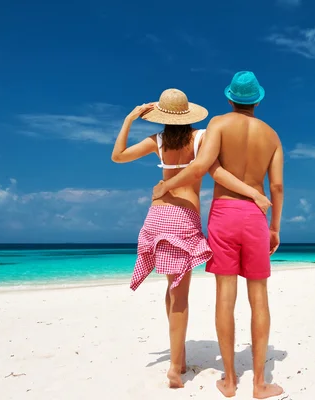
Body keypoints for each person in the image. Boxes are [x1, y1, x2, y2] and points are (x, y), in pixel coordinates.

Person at [111, 88, 271, 390]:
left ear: (161, 117)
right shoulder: (200, 139)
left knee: (170, 292)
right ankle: (175, 367)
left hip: (156, 216)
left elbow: (117, 156)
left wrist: (130, 118)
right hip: (183, 218)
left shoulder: (156, 142)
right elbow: (217, 172)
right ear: (187, 114)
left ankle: (179, 359)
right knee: (180, 294)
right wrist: (253, 193)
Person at [152, 72, 285, 399]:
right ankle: (259, 384)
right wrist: (275, 227)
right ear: (257, 100)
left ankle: (229, 380)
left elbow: (202, 167)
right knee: (259, 297)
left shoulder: (219, 125)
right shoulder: (272, 136)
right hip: (256, 217)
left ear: (230, 98)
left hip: (224, 216)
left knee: (225, 296)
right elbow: (278, 186)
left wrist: (166, 185)